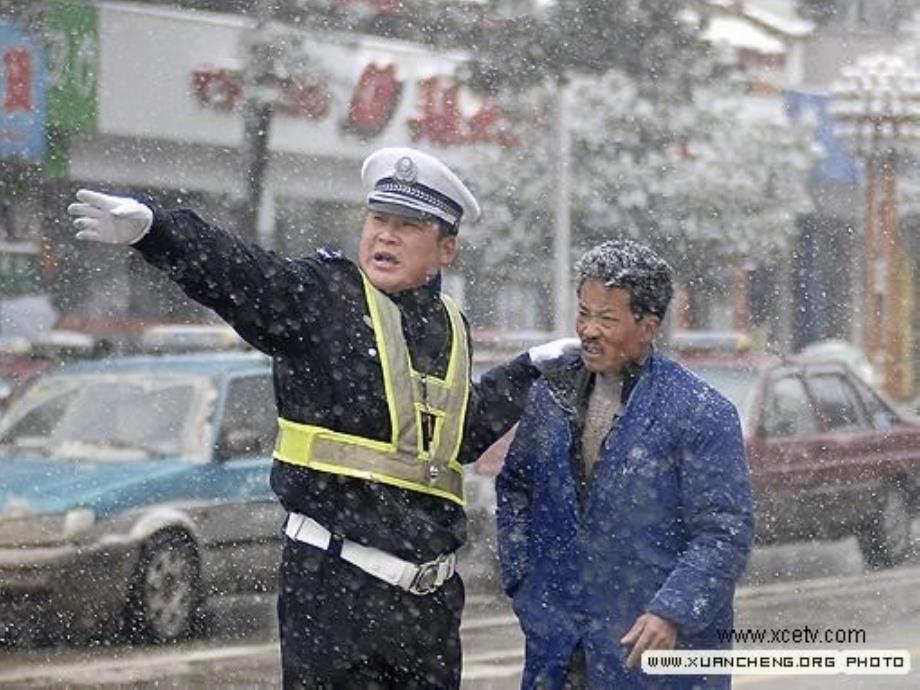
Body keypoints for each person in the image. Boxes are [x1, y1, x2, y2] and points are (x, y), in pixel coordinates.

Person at [67, 147, 566, 689]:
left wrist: (527, 371)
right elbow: (241, 272)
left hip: (429, 606)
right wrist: (158, 232)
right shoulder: (325, 296)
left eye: (407, 226)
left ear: (446, 249)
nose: (385, 236)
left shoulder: (450, 324)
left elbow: (452, 439)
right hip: (337, 594)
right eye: (378, 220)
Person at [495, 239, 755, 689]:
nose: (588, 330)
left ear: (647, 326)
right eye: (584, 313)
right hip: (561, 652)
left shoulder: (699, 411)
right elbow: (517, 488)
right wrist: (524, 581)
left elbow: (724, 531)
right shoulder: (550, 396)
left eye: (607, 318)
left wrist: (671, 611)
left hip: (658, 660)